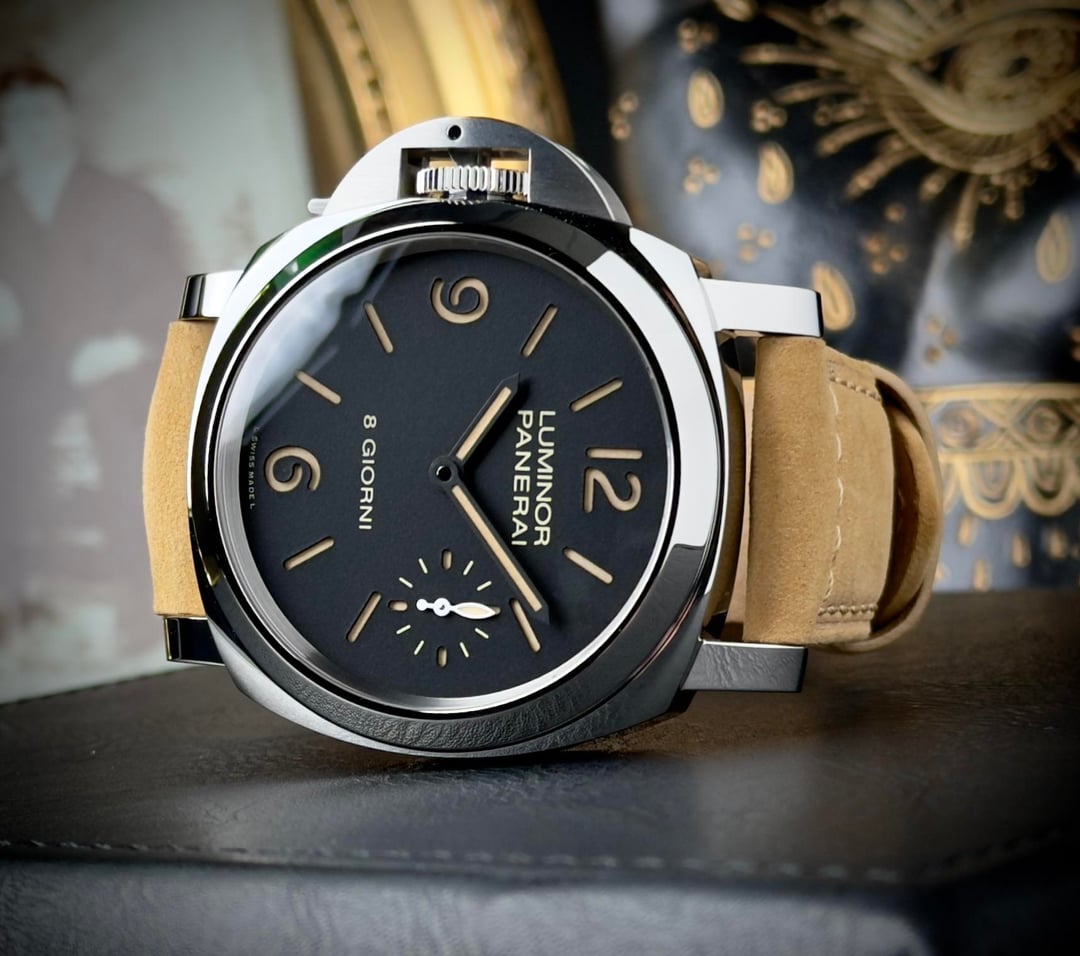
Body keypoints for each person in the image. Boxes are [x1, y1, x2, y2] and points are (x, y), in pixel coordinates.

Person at [0, 62, 185, 694]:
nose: (35, 128)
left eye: (46, 113)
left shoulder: (123, 200)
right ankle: (13, 609)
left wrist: (121, 342)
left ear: (69, 119)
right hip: (28, 366)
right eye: (20, 116)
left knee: (125, 430)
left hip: (114, 360)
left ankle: (140, 604)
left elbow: (164, 284)